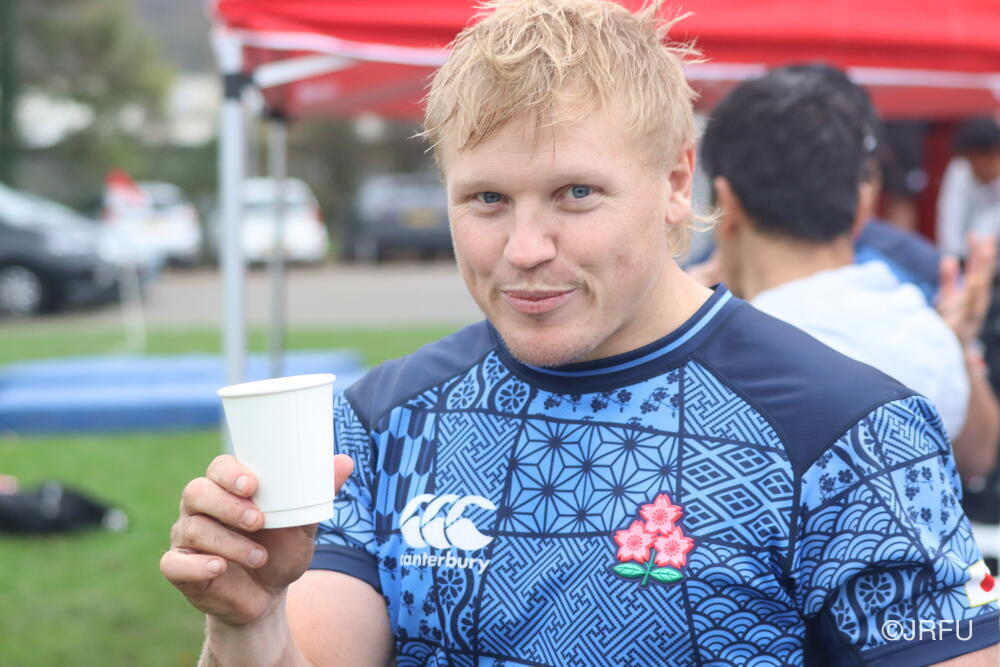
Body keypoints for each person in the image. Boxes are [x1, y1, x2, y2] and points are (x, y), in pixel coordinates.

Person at [161, 1, 1000, 664]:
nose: (525, 248)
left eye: (576, 193)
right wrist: (250, 619)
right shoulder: (380, 423)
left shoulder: (853, 432)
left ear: (676, 180)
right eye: (487, 199)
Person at [703, 64, 999, 486]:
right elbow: (976, 460)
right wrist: (960, 347)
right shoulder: (920, 320)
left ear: (726, 203)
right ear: (863, 199)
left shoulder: (714, 355)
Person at [937, 116, 1000, 260]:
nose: (971, 168)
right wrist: (954, 259)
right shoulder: (960, 170)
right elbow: (950, 220)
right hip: (964, 262)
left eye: (973, 160)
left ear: (994, 154)